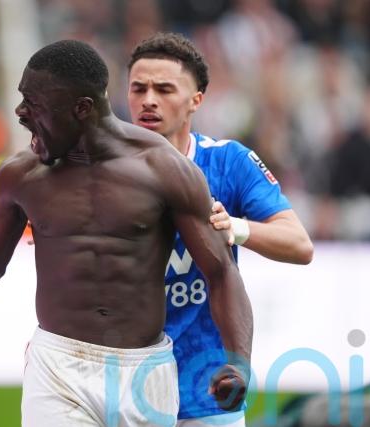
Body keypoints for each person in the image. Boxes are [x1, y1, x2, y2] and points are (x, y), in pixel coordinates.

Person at [0, 40, 253, 427]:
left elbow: (221, 272)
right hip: (58, 368)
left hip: (145, 373)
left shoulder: (163, 169)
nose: (20, 113)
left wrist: (239, 362)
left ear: (82, 109)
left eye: (35, 104)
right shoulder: (20, 176)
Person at [127, 32, 314, 426]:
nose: (148, 100)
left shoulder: (228, 162)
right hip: (125, 383)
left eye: (164, 89)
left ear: (196, 100)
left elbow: (299, 244)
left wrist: (237, 228)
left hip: (207, 384)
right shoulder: (104, 171)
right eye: (138, 88)